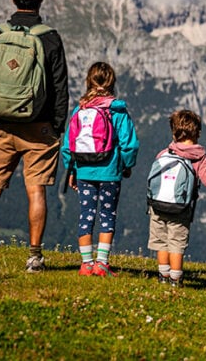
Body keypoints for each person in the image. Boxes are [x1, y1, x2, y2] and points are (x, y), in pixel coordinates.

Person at [0, 0, 69, 272]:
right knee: (36, 190)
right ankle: (34, 257)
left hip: (0, 123)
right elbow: (60, 86)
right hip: (38, 128)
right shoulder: (49, 37)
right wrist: (57, 126)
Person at [61, 61, 139, 277]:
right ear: (112, 83)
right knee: (107, 215)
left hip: (84, 171)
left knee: (86, 215)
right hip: (110, 171)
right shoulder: (117, 110)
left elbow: (67, 146)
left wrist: (72, 169)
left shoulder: (79, 110)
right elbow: (129, 144)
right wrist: (126, 166)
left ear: (88, 82)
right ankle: (102, 264)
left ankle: (86, 264)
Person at [148, 109, 206, 286]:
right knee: (176, 242)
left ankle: (163, 276)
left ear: (174, 131)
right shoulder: (198, 156)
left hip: (157, 204)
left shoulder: (164, 153)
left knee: (161, 241)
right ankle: (176, 279)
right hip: (181, 206)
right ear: (197, 133)